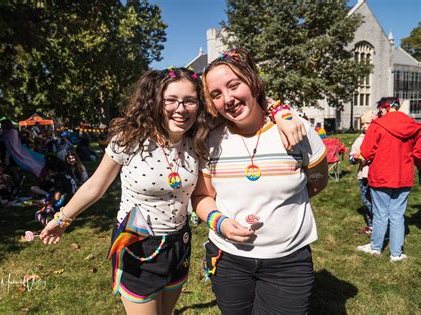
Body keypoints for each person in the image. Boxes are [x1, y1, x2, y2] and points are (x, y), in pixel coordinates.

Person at [38, 66, 305, 315]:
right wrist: (62, 219)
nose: (181, 109)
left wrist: (282, 113)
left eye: (189, 100)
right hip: (136, 245)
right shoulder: (130, 138)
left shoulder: (198, 138)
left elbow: (242, 102)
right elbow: (96, 186)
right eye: (171, 100)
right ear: (155, 100)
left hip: (179, 244)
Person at [193, 49, 328, 314]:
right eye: (217, 94)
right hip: (228, 259)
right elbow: (202, 196)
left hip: (288, 262)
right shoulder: (210, 141)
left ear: (252, 82)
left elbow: (318, 181)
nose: (228, 99)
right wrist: (218, 222)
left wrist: (283, 204)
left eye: (234, 85)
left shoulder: (296, 129)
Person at [357, 97, 421, 262]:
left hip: (381, 175)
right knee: (398, 215)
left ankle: (376, 247)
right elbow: (418, 153)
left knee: (380, 214)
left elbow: (366, 151)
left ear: (384, 108)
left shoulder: (377, 125)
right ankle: (396, 254)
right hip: (404, 176)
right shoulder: (413, 126)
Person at [349, 111, 376, 235]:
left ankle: (379, 225)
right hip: (363, 175)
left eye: (368, 123)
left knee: (377, 202)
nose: (365, 126)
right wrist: (355, 158)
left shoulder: (379, 138)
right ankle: (371, 225)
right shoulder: (359, 140)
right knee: (366, 201)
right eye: (363, 124)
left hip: (376, 175)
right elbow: (351, 159)